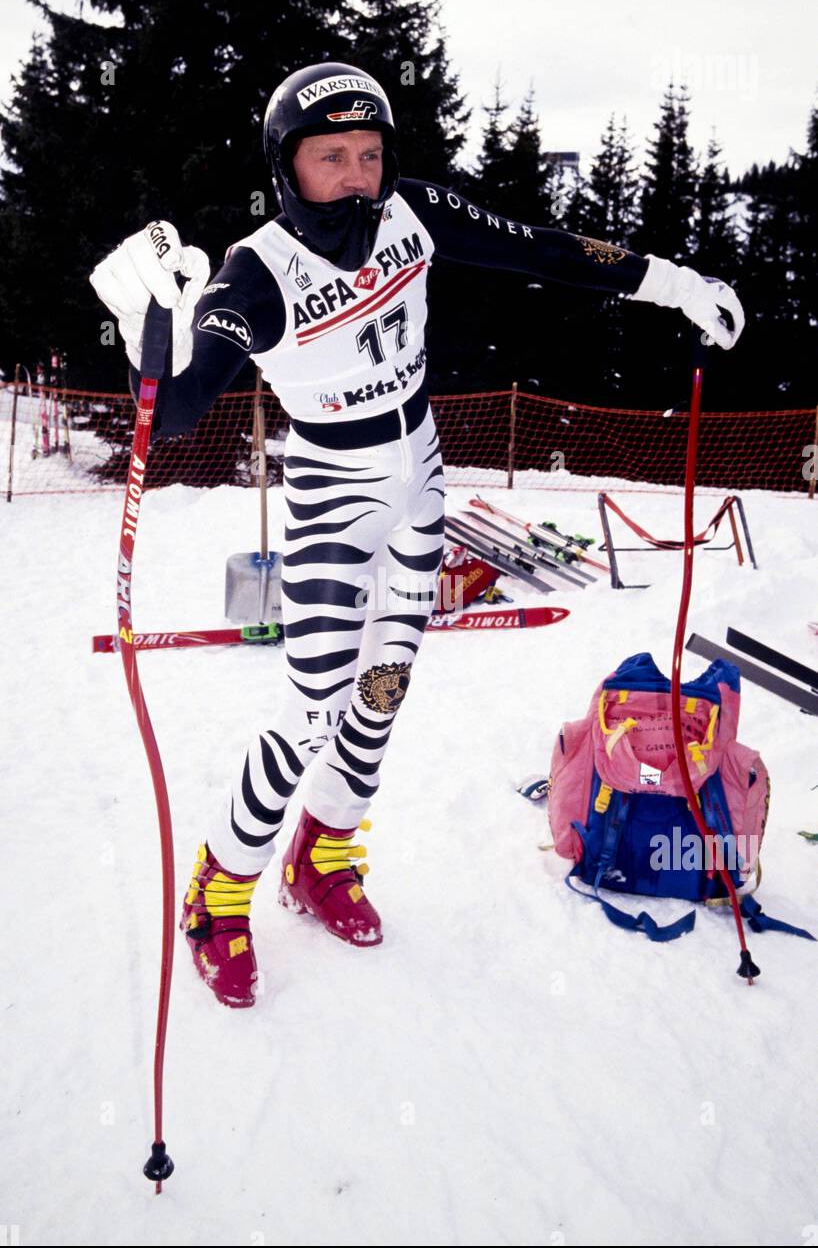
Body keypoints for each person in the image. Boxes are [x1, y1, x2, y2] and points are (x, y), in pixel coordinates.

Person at [89, 61, 745, 1009]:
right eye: (332, 158)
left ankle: (326, 852)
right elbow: (183, 405)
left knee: (384, 690)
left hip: (420, 477)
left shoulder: (413, 214)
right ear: (289, 170)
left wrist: (674, 283)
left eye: (369, 153)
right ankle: (220, 890)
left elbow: (546, 250)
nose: (358, 174)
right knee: (314, 701)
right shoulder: (256, 271)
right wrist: (144, 322)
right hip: (334, 493)